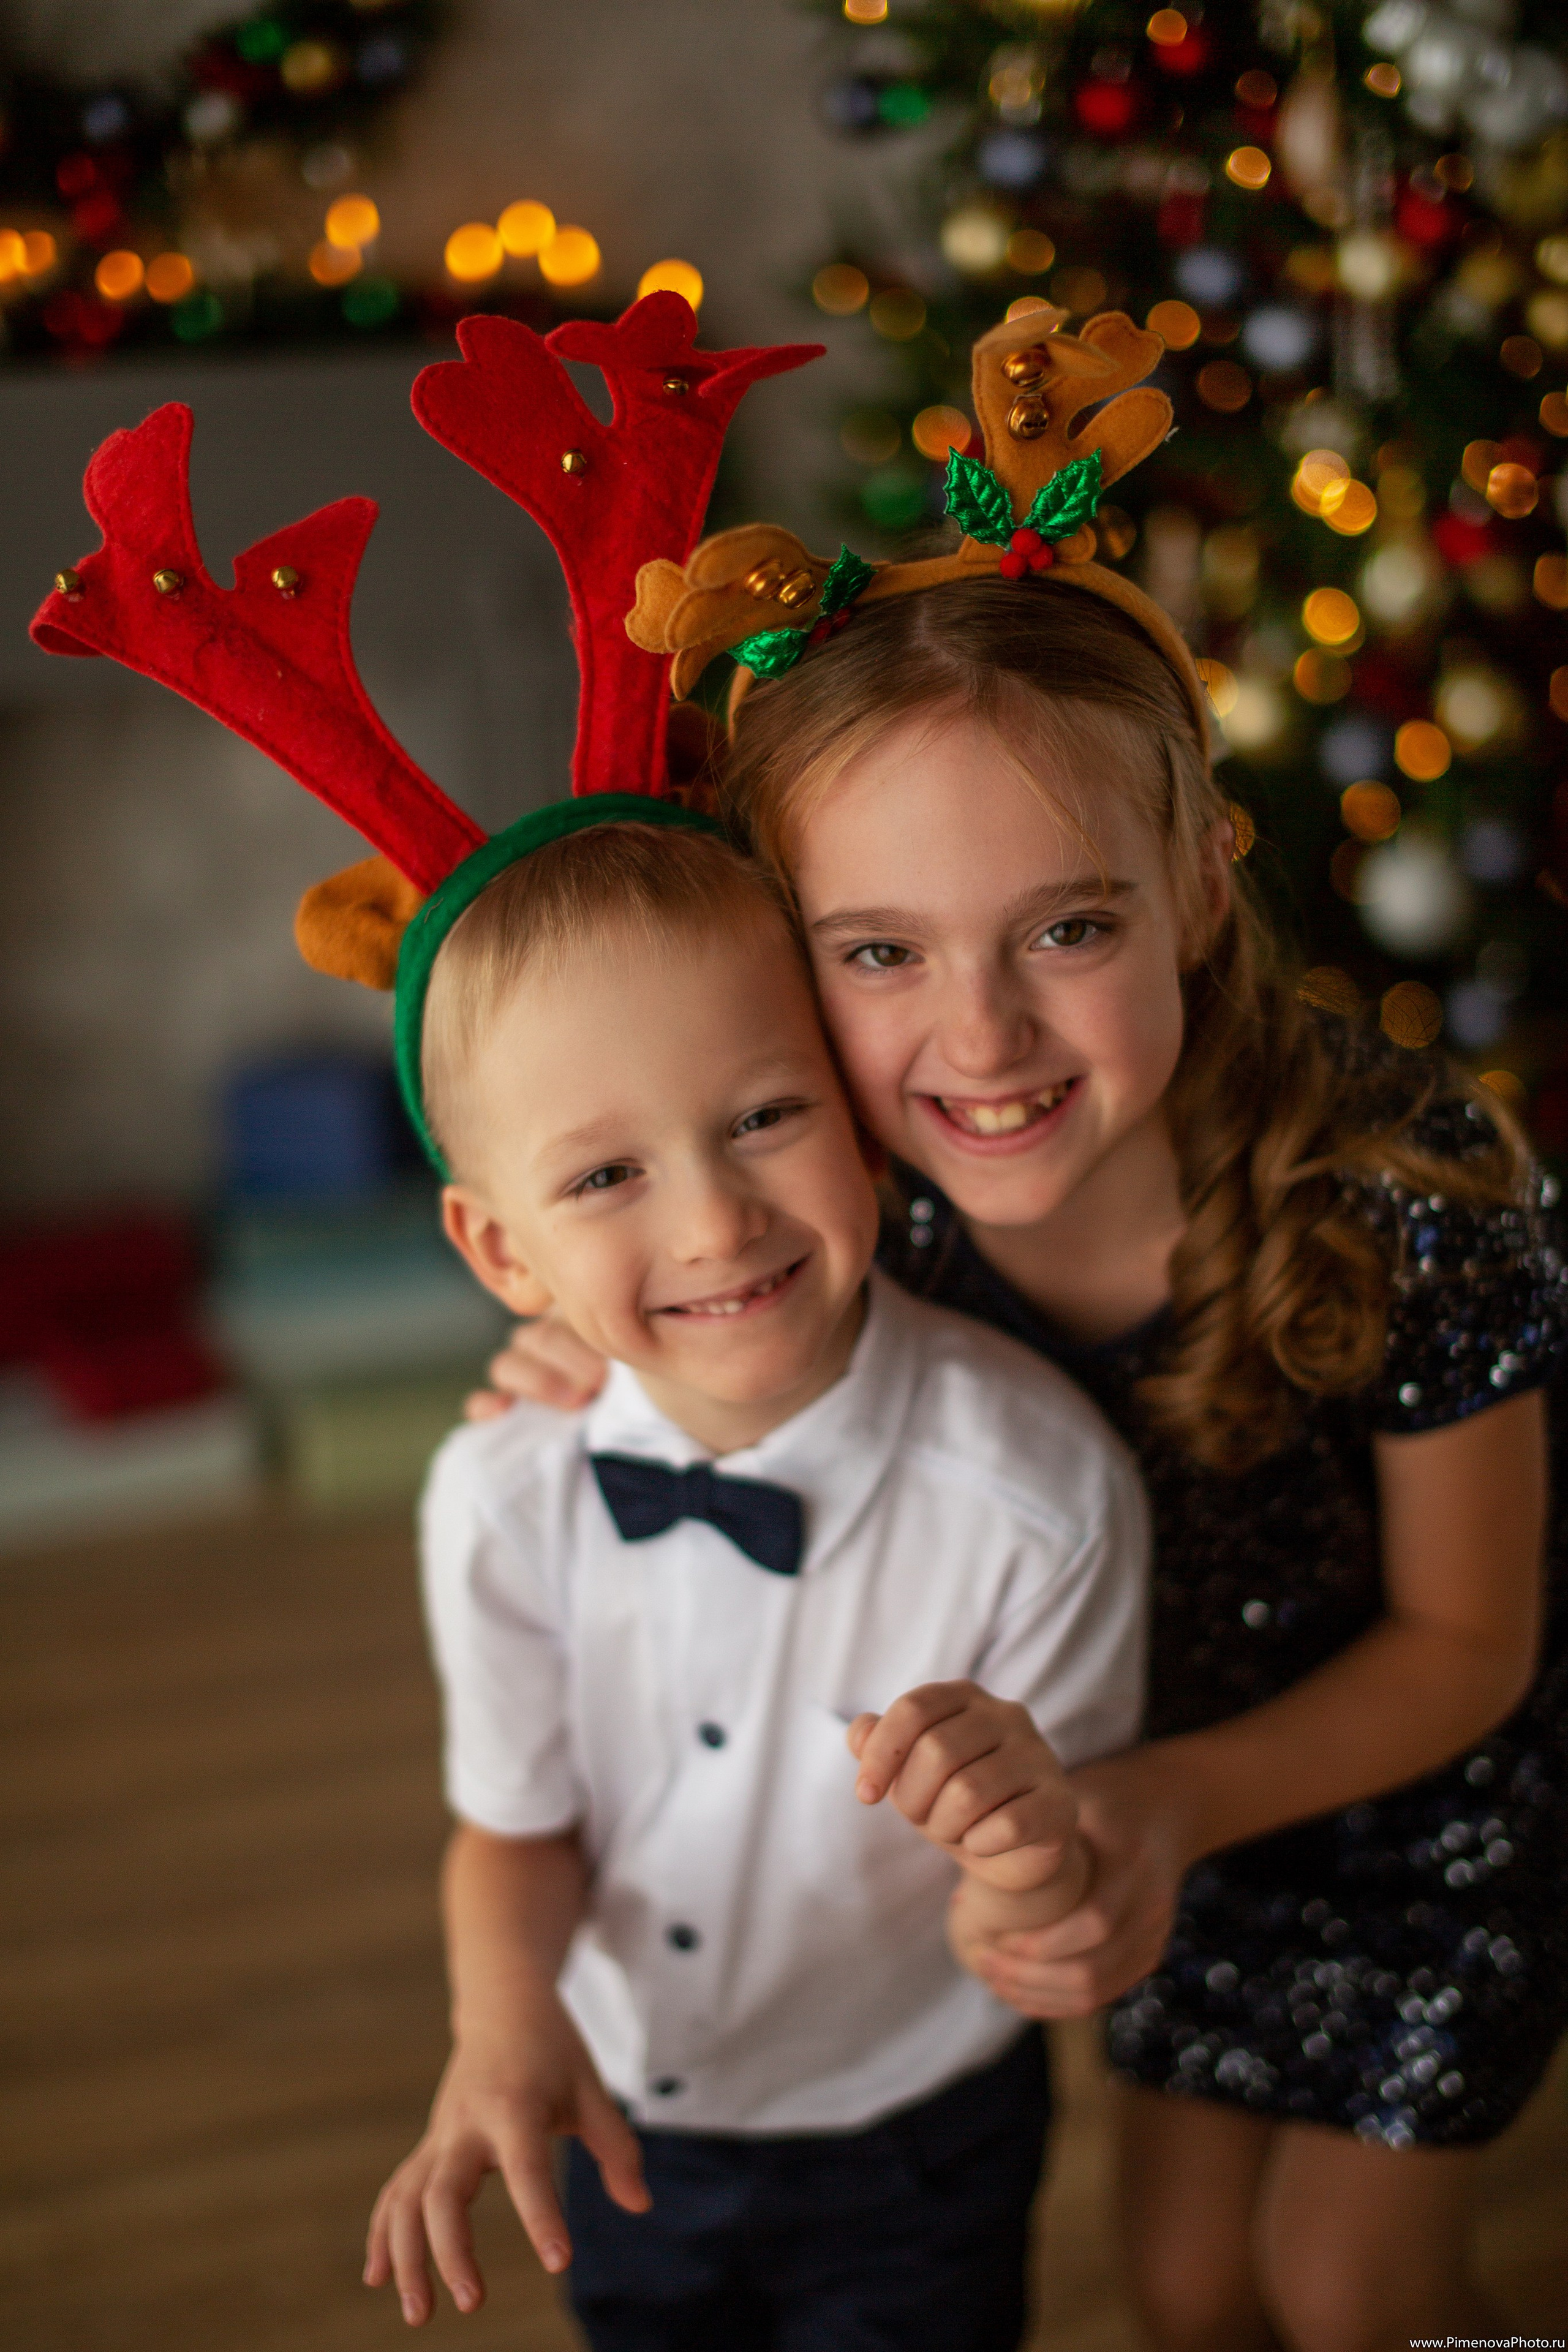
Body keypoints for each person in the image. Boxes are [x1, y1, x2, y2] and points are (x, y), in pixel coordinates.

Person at [475, 326, 1566, 2345]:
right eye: (880, 956)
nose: (978, 1041)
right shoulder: (838, 1209)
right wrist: (600, 1356)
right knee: (1176, 2287)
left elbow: (1474, 1648)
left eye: (1069, 929)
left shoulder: (1412, 1187)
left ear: (1201, 892)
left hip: (1423, 1823)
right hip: (1124, 1832)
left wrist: (1156, 1807)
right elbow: (695, 1335)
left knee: (1346, 2291)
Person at [361, 821, 1150, 2347]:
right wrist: (504, 2027)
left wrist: (1020, 1846)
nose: (713, 1222)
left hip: (915, 2132)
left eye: (766, 1114)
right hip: (613, 2114)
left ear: (857, 1118)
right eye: (603, 1174)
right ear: (500, 1250)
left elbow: (1047, 1913)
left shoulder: (1039, 1497)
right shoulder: (500, 1496)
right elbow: (512, 1830)